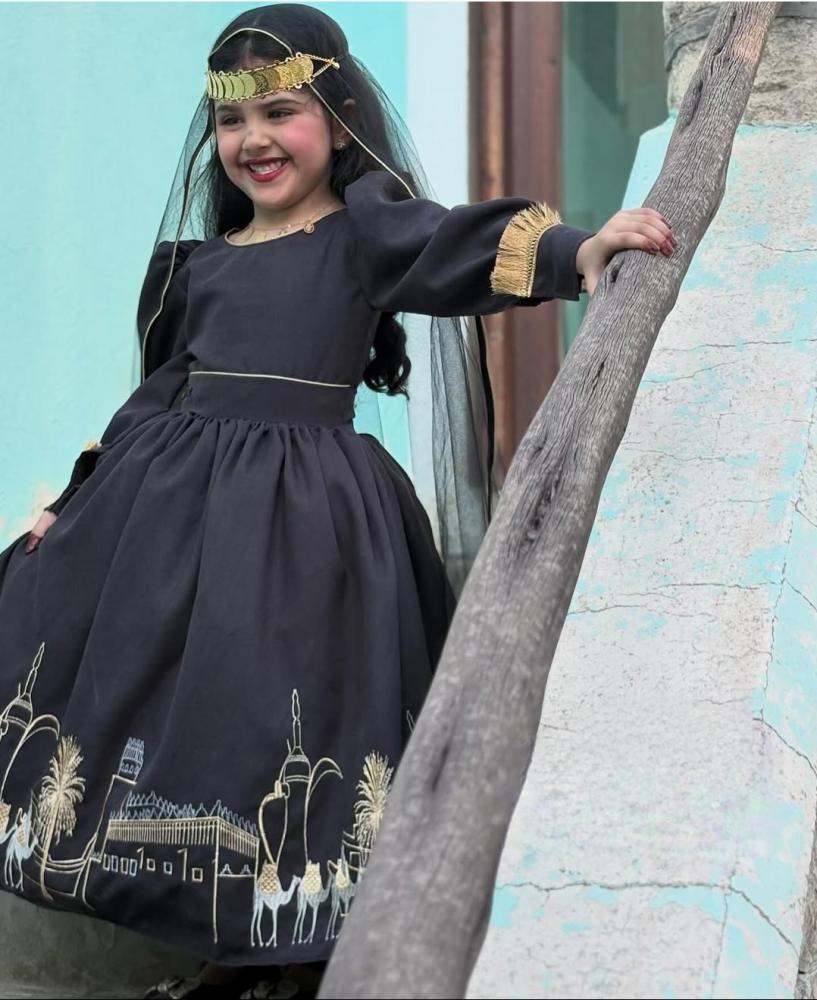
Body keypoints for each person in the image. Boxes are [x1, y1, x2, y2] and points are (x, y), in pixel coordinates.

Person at [0, 4, 674, 998]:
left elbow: (452, 244)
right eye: (232, 120)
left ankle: (288, 951)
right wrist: (74, 500)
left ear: (339, 115)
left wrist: (579, 250)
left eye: (281, 112)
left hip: (308, 527)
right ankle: (221, 941)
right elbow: (155, 398)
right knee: (188, 711)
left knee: (280, 717)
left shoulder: (363, 235)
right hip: (174, 522)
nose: (255, 139)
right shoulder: (203, 264)